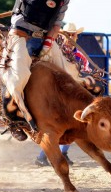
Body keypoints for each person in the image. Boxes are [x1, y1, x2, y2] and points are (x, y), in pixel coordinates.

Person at [2, 0, 90, 141]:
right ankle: (12, 119)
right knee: (19, 76)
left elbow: (57, 23)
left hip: (43, 37)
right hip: (20, 33)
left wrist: (49, 41)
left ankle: (70, 114)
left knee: (66, 73)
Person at [34, 22, 88, 167]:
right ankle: (46, 155)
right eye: (68, 34)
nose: (70, 37)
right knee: (56, 125)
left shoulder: (79, 56)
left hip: (71, 95)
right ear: (63, 36)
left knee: (70, 125)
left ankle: (52, 155)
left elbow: (86, 73)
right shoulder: (55, 50)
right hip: (55, 94)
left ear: (76, 36)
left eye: (73, 34)